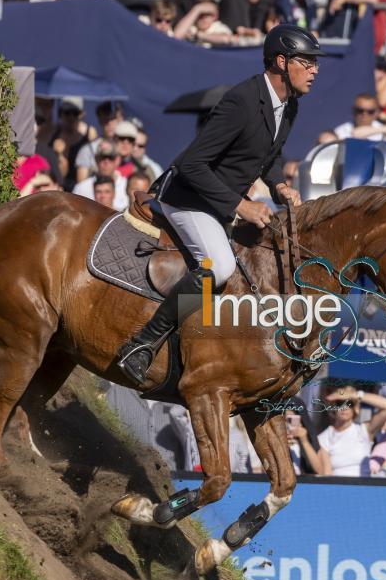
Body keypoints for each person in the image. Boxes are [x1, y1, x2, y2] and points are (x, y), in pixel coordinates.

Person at [115, 24, 318, 385]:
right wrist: (242, 205)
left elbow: (269, 155)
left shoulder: (290, 105)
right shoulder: (242, 100)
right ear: (282, 62)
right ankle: (142, 344)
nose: (315, 70)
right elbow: (192, 164)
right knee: (220, 268)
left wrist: (280, 185)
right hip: (187, 198)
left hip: (219, 203)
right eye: (308, 62)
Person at [317, 386, 386, 477]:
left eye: (349, 403)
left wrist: (355, 395)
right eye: (340, 403)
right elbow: (327, 473)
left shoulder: (364, 430)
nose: (344, 407)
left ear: (355, 408)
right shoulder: (324, 437)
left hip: (364, 486)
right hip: (338, 486)